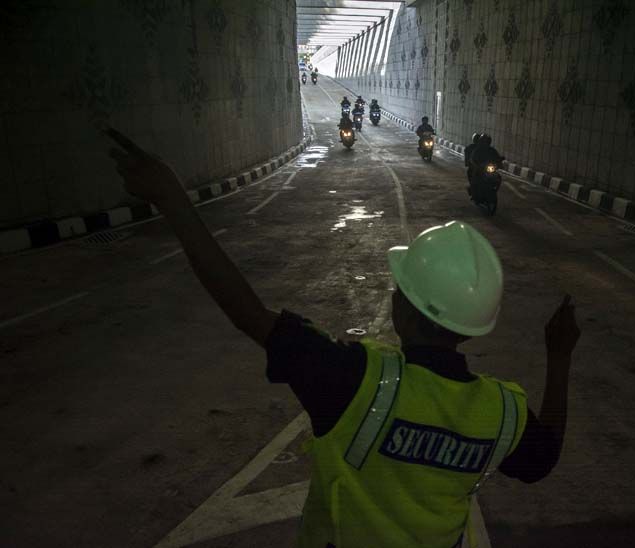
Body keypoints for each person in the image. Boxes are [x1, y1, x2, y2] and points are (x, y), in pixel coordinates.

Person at [104, 127, 580, 548]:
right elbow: (543, 458)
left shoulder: (352, 380)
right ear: (473, 325)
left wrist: (172, 200)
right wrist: (558, 358)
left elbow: (246, 311)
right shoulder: (501, 412)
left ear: (400, 311)